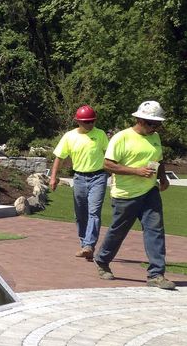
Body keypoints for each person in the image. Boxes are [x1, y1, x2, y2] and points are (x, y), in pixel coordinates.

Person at [94, 100, 174, 289]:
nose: (156, 128)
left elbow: (159, 160)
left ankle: (156, 274)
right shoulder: (121, 138)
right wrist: (136, 171)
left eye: (158, 124)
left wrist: (163, 177)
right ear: (139, 119)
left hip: (149, 192)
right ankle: (102, 260)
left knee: (155, 230)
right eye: (152, 124)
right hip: (125, 194)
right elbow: (108, 165)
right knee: (118, 230)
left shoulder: (154, 137)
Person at [49, 105, 109, 260]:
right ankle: (84, 244)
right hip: (79, 178)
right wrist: (53, 177)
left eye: (92, 121)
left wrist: (114, 175)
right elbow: (59, 157)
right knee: (80, 214)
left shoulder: (100, 134)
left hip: (98, 177)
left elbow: (109, 157)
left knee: (94, 212)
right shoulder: (69, 136)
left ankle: (89, 244)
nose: (90, 124)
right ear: (78, 121)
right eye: (86, 122)